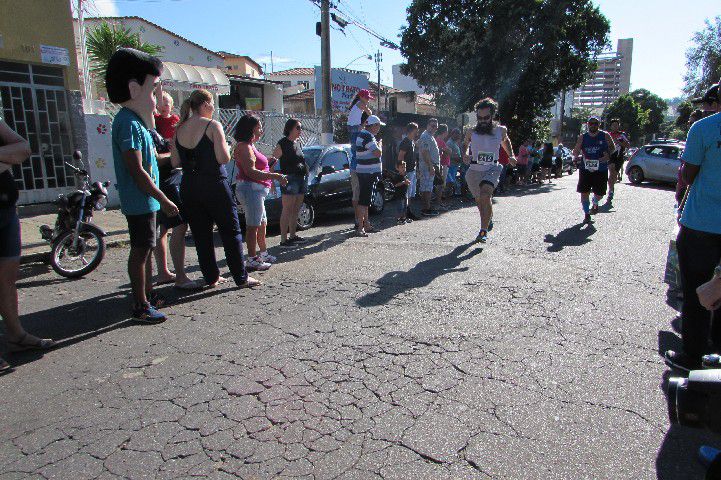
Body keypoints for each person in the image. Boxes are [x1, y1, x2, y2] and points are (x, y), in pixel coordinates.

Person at [107, 48, 179, 323]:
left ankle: (147, 296)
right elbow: (137, 171)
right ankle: (140, 305)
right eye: (153, 90)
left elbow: (148, 164)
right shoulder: (128, 123)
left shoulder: (136, 122)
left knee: (146, 249)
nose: (157, 98)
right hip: (140, 200)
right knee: (140, 252)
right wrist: (163, 199)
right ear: (134, 88)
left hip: (145, 200)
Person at [172, 90, 260, 289]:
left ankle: (211, 277)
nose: (213, 108)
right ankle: (241, 277)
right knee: (230, 231)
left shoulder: (180, 128)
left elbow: (175, 161)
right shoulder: (213, 125)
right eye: (212, 104)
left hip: (189, 186)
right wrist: (227, 147)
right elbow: (223, 158)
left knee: (201, 234)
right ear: (204, 105)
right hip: (214, 184)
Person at [664, 103, 721, 371]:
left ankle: (693, 355)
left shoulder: (705, 128)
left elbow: (688, 175)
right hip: (703, 224)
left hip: (703, 223)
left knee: (697, 290)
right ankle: (717, 353)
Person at [0, 120, 56, 371]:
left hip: (5, 209)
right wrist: (6, 157)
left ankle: (16, 336)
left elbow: (23, 148)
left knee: (7, 277)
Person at [151, 92, 198, 290]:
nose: (163, 107)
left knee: (162, 229)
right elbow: (154, 159)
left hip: (166, 180)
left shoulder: (168, 125)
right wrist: (177, 153)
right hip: (165, 182)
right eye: (159, 102)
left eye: (167, 103)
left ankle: (164, 272)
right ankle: (180, 275)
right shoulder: (149, 129)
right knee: (178, 225)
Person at [234, 115, 287, 269]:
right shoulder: (244, 146)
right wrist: (274, 176)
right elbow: (250, 172)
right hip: (251, 189)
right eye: (259, 127)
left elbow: (259, 166)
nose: (261, 130)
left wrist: (270, 164)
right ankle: (251, 258)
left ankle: (262, 253)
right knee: (253, 225)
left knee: (262, 223)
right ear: (251, 129)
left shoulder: (251, 145)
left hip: (257, 190)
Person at [462, 97, 516, 243]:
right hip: (474, 171)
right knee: (480, 202)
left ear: (492, 115)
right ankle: (488, 219)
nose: (483, 120)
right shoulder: (470, 131)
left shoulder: (500, 130)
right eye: (480, 118)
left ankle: (483, 231)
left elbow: (506, 142)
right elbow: (465, 145)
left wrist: (511, 155)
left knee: (486, 195)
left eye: (486, 117)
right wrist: (465, 154)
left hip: (492, 168)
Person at [571, 116, 616, 224]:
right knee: (584, 192)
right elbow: (576, 149)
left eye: (595, 123)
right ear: (587, 124)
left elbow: (613, 147)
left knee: (600, 193)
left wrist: (607, 156)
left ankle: (595, 201)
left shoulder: (605, 135)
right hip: (585, 168)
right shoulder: (583, 137)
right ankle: (587, 214)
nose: (593, 125)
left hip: (601, 168)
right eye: (591, 123)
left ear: (599, 124)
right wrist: (575, 156)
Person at [273, 118, 308, 248]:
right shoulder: (282, 144)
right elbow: (271, 162)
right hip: (289, 179)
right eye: (298, 128)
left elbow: (302, 160)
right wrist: (272, 181)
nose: (300, 130)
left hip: (301, 178)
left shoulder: (298, 143)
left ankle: (292, 236)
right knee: (287, 209)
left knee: (295, 209)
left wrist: (307, 171)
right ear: (290, 128)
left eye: (301, 128)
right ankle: (283, 240)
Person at [354, 115, 384, 236]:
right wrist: (380, 145)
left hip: (366, 172)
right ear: (374, 126)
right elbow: (377, 152)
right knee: (364, 200)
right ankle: (361, 227)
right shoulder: (367, 136)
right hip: (367, 172)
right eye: (378, 126)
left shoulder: (364, 135)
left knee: (366, 200)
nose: (379, 128)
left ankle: (366, 224)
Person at [417, 118, 440, 216]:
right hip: (427, 166)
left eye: (436, 126)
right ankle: (426, 209)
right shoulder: (425, 136)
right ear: (427, 125)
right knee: (426, 188)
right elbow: (425, 152)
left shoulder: (430, 136)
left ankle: (427, 208)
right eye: (432, 125)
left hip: (429, 165)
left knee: (428, 188)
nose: (434, 128)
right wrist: (431, 166)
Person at [397, 122, 419, 220]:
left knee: (410, 193)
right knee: (406, 193)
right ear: (411, 130)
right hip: (407, 171)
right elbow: (400, 156)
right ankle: (404, 214)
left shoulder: (412, 141)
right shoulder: (406, 142)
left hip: (412, 170)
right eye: (416, 130)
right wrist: (403, 172)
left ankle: (408, 212)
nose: (417, 132)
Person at [607, 119, 631, 203]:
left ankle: (611, 188)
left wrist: (619, 142)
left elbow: (628, 145)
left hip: (619, 157)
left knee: (614, 175)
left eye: (616, 125)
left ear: (619, 126)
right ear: (611, 126)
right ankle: (610, 190)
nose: (615, 127)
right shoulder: (608, 135)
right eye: (613, 125)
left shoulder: (622, 135)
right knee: (611, 170)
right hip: (610, 157)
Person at [435, 124, 451, 208]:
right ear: (445, 132)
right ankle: (439, 203)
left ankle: (439, 202)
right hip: (443, 165)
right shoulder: (440, 140)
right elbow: (448, 152)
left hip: (443, 164)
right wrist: (449, 150)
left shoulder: (439, 140)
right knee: (441, 185)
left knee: (441, 184)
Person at [446, 128, 463, 195]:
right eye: (457, 134)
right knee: (449, 182)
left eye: (459, 134)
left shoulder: (455, 143)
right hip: (451, 166)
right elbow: (448, 155)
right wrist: (457, 158)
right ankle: (447, 198)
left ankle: (449, 196)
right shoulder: (449, 143)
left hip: (455, 166)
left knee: (451, 183)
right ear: (453, 134)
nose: (459, 136)